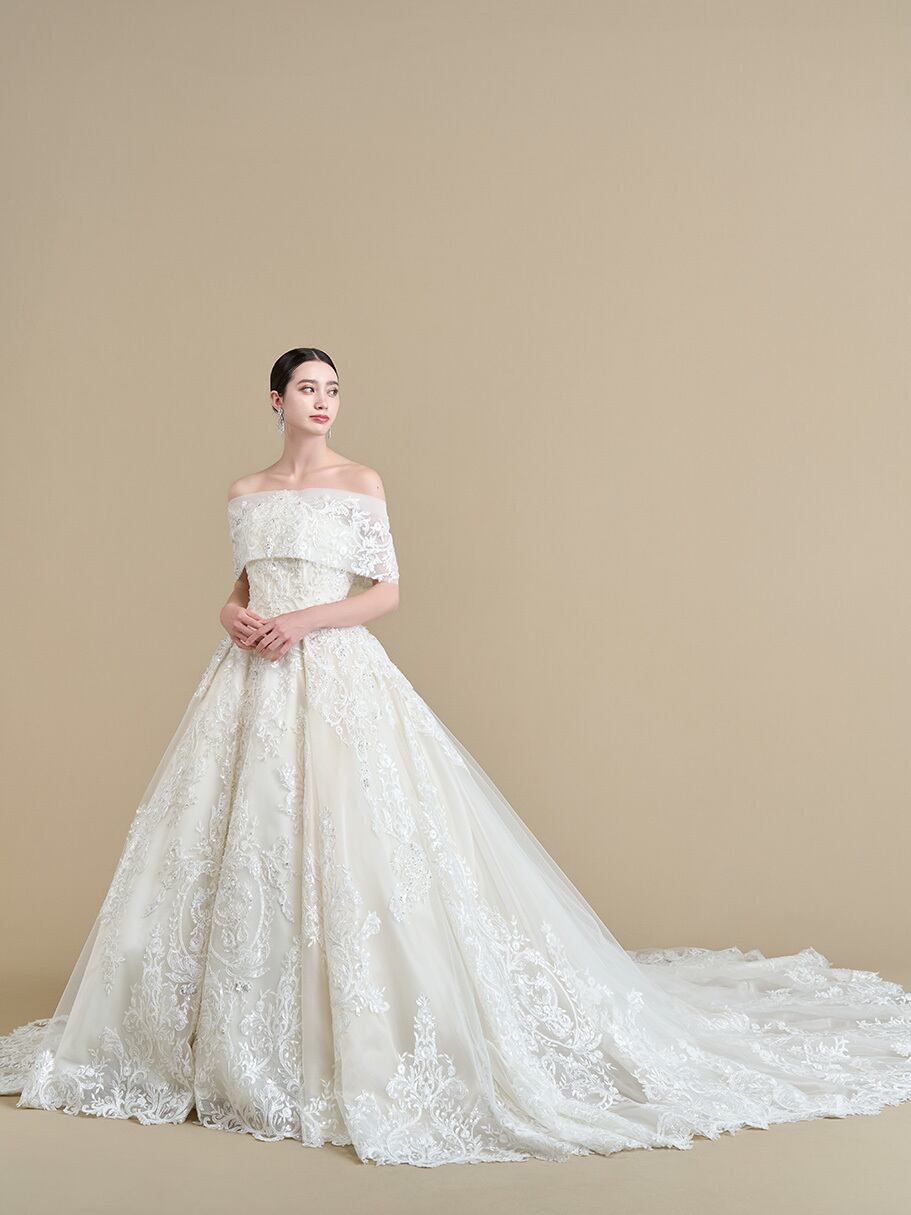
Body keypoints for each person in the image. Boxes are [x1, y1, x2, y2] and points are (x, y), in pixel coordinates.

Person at [2, 347, 910, 1169]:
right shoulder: (244, 492)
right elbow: (243, 583)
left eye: (332, 389)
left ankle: (351, 1038)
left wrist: (301, 622)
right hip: (250, 681)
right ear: (273, 400)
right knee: (239, 851)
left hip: (333, 674)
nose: (322, 401)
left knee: (355, 847)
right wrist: (232, 616)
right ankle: (241, 1042)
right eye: (306, 389)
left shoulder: (360, 482)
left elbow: (385, 592)